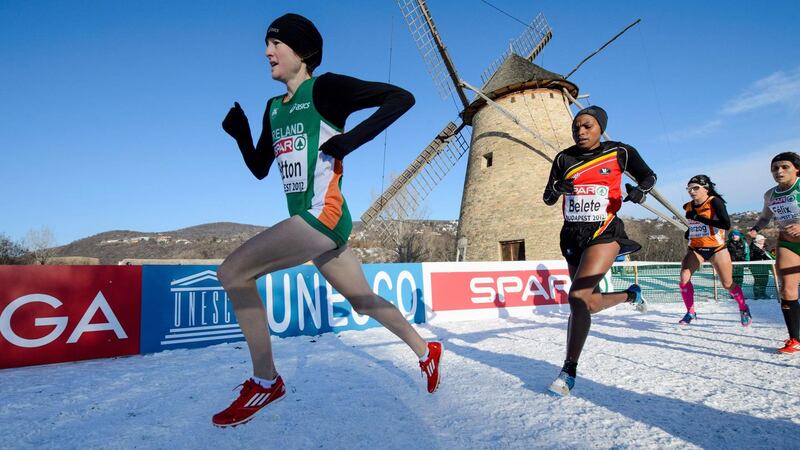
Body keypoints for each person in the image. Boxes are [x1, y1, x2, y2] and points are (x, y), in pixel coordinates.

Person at [213, 13, 443, 427]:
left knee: (232, 273)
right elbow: (261, 168)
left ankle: (265, 381)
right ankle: (427, 351)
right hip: (311, 221)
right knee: (362, 300)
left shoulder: (327, 88)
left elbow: (401, 98)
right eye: (266, 45)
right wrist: (242, 135)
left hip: (325, 215)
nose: (267, 52)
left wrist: (351, 140)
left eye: (276, 44)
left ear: (302, 52)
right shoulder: (273, 108)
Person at [542, 105, 654, 396]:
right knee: (587, 304)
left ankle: (569, 370)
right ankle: (631, 294)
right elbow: (547, 198)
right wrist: (557, 187)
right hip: (571, 235)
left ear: (600, 128)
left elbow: (648, 176)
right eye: (576, 126)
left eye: (587, 126)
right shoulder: (563, 158)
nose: (580, 131)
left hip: (605, 231)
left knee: (577, 296)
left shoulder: (619, 151)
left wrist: (639, 191)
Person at [677, 175, 751, 327]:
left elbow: (725, 224)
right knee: (684, 277)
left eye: (695, 188)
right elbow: (693, 225)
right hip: (696, 247)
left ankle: (743, 308)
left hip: (716, 248)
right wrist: (689, 231)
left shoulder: (714, 202)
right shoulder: (688, 206)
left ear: (706, 188)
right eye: (689, 189)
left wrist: (698, 217)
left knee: (727, 283)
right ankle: (690, 312)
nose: (692, 191)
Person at [749, 152, 800, 353]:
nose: (779, 171)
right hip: (788, 243)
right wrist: (755, 229)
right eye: (775, 168)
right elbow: (764, 218)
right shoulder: (770, 194)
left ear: (796, 169)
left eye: (784, 167)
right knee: (787, 289)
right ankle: (795, 339)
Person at [749, 234, 773, 298]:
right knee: (758, 280)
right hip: (755, 267)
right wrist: (761, 254)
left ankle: (763, 293)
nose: (763, 241)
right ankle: (757, 295)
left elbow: (768, 256)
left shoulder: (765, 247)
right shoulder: (752, 247)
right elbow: (752, 257)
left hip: (765, 266)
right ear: (758, 240)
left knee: (765, 280)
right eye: (762, 239)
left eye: (763, 239)